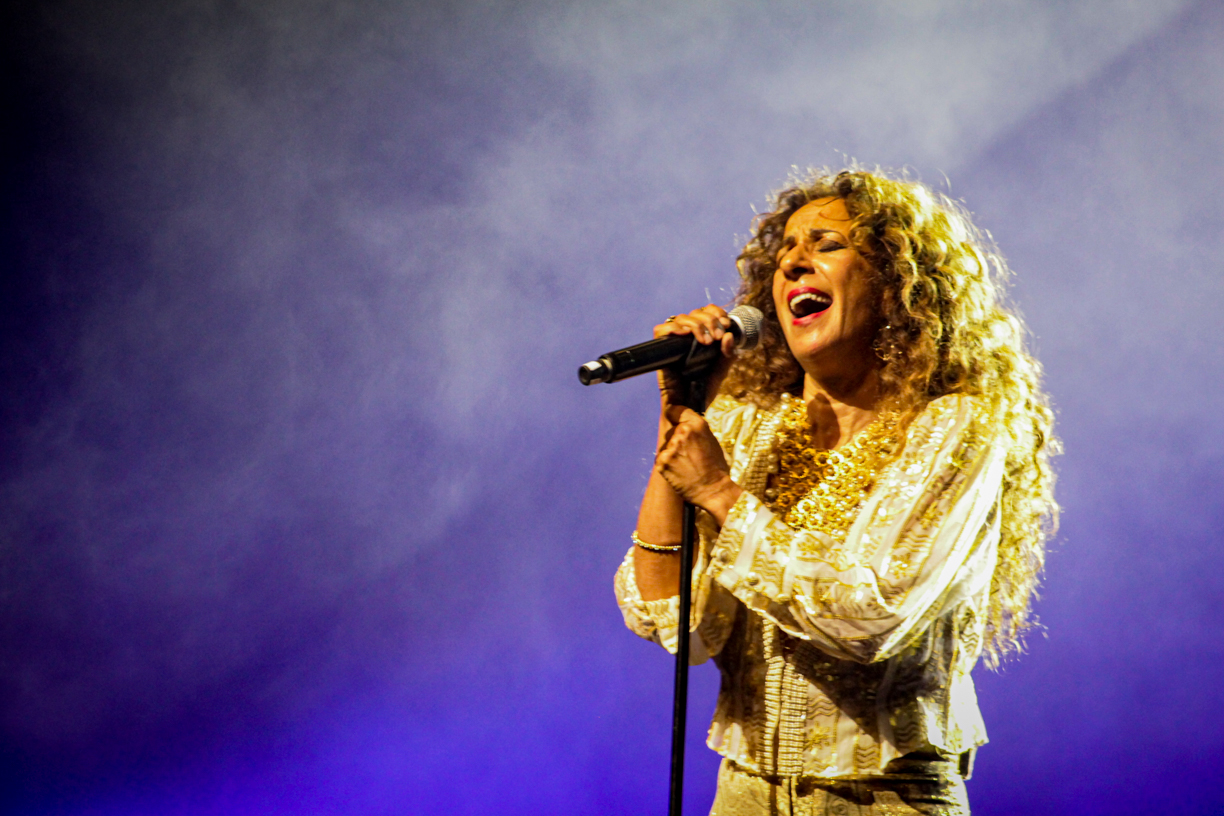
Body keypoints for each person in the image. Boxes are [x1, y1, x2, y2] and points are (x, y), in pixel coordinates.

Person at [614, 168, 1058, 815]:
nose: (795, 262)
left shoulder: (955, 424)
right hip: (742, 794)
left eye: (826, 245)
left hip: (885, 796)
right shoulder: (750, 424)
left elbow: (868, 614)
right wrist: (683, 418)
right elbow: (681, 624)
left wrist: (717, 489)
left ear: (895, 284)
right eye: (785, 251)